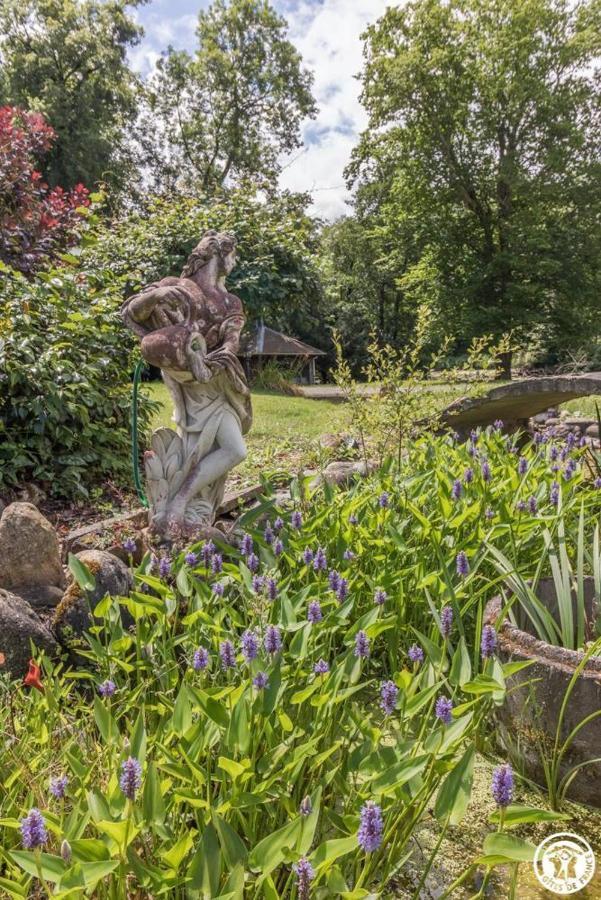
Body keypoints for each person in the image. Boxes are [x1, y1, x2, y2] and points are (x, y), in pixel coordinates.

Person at [121, 230, 252, 537]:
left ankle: (184, 504)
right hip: (187, 385)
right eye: (233, 255)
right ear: (219, 256)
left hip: (218, 385)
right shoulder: (174, 287)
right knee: (200, 447)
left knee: (234, 449)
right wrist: (154, 297)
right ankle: (178, 508)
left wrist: (213, 361)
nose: (235, 262)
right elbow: (130, 312)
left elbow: (232, 341)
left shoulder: (230, 301)